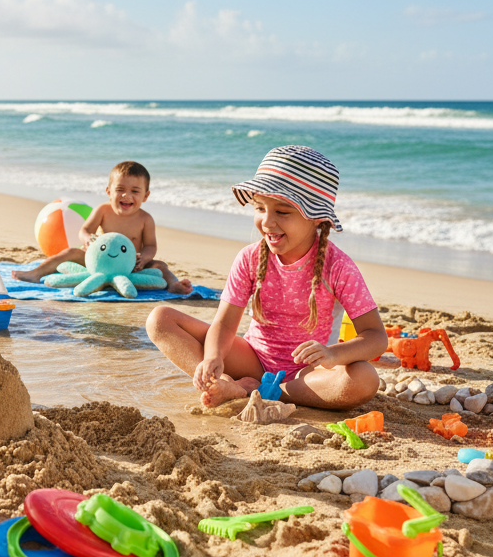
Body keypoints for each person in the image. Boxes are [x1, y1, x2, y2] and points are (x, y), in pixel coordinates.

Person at [146, 145, 386, 410]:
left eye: (282, 212)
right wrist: (213, 358)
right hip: (253, 360)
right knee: (160, 320)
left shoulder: (338, 266)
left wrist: (333, 354)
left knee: (364, 379)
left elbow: (375, 336)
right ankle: (221, 381)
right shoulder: (250, 258)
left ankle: (264, 391)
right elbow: (224, 325)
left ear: (317, 218)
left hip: (308, 374)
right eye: (260, 208)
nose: (267, 222)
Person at [12, 161, 192, 294]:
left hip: (130, 267)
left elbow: (151, 246)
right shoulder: (103, 210)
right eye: (120, 189)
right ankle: (35, 274)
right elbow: (84, 230)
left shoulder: (145, 219)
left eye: (135, 191)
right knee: (69, 253)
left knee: (159, 265)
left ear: (145, 196)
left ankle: (174, 284)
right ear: (109, 192)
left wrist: (144, 258)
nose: (126, 195)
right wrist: (88, 239)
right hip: (97, 263)